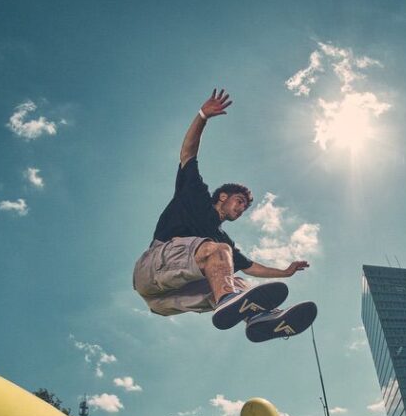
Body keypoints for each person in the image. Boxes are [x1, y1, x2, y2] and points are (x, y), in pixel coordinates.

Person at [132, 89, 316, 342]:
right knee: (217, 251)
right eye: (239, 202)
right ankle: (229, 300)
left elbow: (252, 267)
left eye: (245, 207)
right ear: (222, 197)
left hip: (166, 301)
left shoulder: (223, 243)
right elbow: (188, 154)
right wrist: (202, 116)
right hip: (152, 271)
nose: (241, 209)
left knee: (238, 281)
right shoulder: (195, 195)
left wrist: (285, 272)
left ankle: (261, 320)